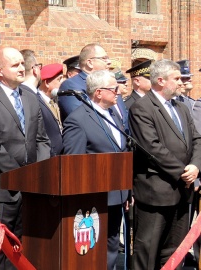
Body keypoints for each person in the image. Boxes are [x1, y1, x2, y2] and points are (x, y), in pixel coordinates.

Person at [0, 47, 51, 270]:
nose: (21, 68)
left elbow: (42, 140)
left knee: (19, 252)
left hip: (28, 189)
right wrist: (20, 175)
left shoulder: (30, 98)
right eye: (14, 65)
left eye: (22, 63)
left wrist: (37, 172)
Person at [129, 59, 201, 270]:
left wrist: (196, 166)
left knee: (175, 252)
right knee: (148, 250)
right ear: (160, 80)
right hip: (157, 192)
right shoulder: (141, 108)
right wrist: (182, 171)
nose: (181, 83)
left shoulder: (181, 107)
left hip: (183, 190)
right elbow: (152, 147)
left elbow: (197, 139)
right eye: (176, 78)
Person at [63, 70, 129, 270]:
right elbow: (74, 162)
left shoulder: (112, 116)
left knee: (111, 247)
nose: (118, 92)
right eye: (114, 88)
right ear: (99, 93)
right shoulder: (78, 119)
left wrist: (127, 190)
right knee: (92, 251)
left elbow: (121, 151)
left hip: (117, 194)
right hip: (93, 199)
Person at [19, 49, 63, 156]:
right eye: (39, 67)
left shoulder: (31, 95)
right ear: (35, 70)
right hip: (44, 160)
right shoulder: (27, 95)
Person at [58, 44, 112, 121]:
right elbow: (82, 119)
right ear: (90, 63)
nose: (109, 62)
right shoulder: (71, 85)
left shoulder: (109, 84)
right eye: (104, 58)